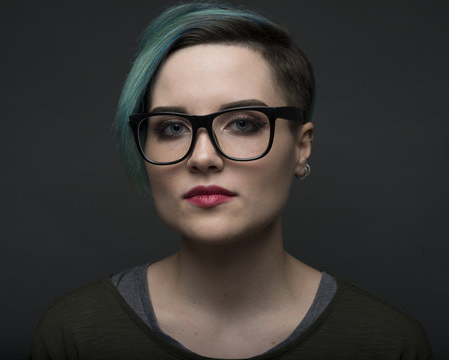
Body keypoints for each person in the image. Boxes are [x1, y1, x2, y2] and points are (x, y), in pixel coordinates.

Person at [29, 2, 434, 359]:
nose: (203, 157)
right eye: (172, 128)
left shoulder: (388, 344)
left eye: (242, 124)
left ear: (301, 146)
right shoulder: (74, 336)